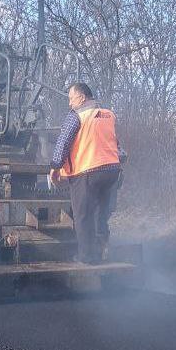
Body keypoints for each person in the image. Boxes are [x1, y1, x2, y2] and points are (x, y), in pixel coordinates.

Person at [49, 82, 121, 264]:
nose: (70, 103)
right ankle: (102, 251)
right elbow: (116, 144)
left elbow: (63, 142)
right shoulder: (108, 115)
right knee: (100, 213)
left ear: (81, 97)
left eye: (71, 98)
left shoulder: (77, 115)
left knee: (82, 215)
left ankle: (86, 257)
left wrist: (55, 167)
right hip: (112, 171)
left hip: (87, 171)